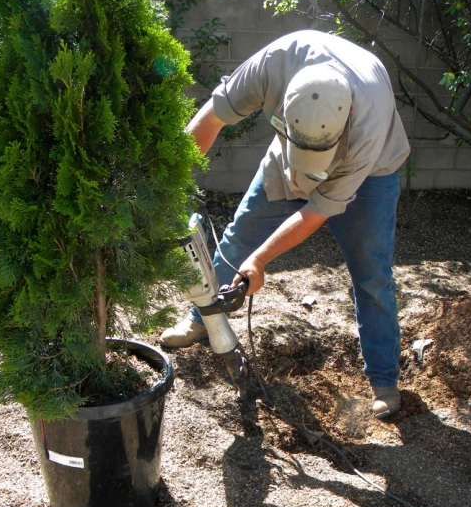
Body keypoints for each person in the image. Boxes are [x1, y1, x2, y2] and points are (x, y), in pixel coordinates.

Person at [161, 30, 410, 419]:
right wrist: (168, 183)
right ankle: (200, 321)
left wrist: (260, 260)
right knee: (240, 234)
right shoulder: (274, 64)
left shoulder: (367, 129)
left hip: (371, 175)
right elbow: (211, 119)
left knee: (371, 275)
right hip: (285, 153)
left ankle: (384, 380)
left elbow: (316, 211)